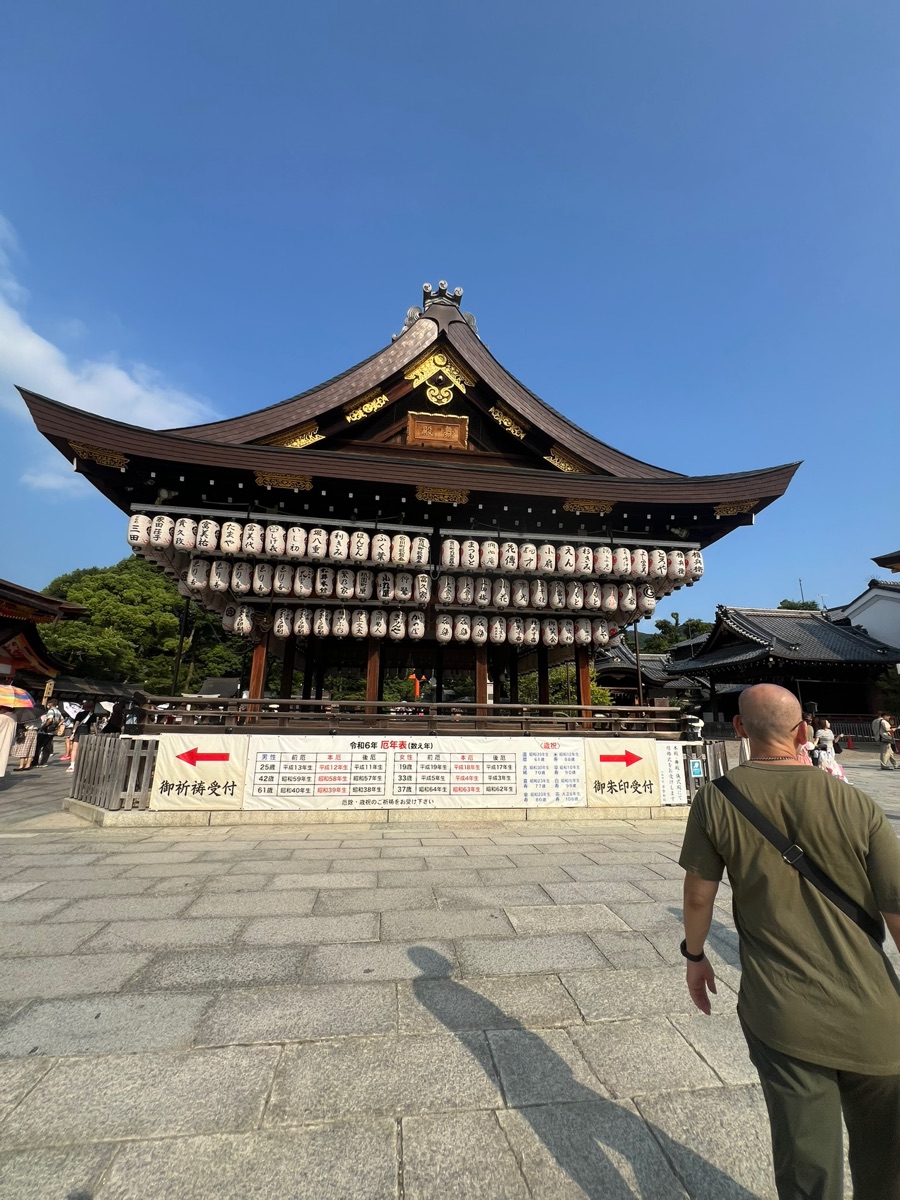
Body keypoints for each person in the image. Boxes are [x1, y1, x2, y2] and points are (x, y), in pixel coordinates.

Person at [679, 683, 900, 1200]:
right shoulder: (855, 802)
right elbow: (896, 911)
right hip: (878, 1017)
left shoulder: (718, 799)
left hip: (783, 1014)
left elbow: (696, 898)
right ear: (803, 732)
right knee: (888, 1167)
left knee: (808, 1169)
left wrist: (695, 956)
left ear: (737, 730)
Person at [66, 699, 97, 774]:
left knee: (75, 749)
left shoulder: (79, 714)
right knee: (85, 749)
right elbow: (94, 725)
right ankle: (82, 763)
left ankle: (72, 764)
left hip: (78, 732)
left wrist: (73, 732)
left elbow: (76, 723)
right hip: (86, 732)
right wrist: (96, 732)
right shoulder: (93, 715)